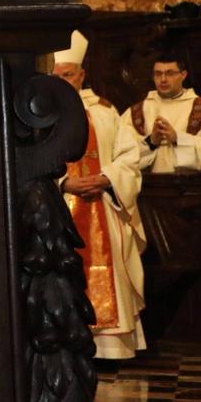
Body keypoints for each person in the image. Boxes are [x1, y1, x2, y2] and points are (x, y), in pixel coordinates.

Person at [53, 32, 147, 364]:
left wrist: (107, 178)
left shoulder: (106, 112)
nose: (63, 81)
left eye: (68, 75)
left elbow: (129, 157)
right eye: (57, 76)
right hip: (63, 207)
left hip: (104, 205)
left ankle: (109, 350)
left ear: (81, 74)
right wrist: (65, 183)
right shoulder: (45, 113)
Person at [124, 53, 201, 174]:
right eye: (158, 74)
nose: (163, 79)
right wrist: (151, 142)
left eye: (170, 73)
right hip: (148, 187)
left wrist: (178, 139)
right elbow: (121, 152)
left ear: (183, 75)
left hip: (192, 188)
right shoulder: (136, 111)